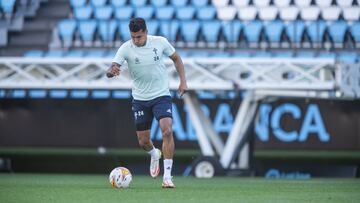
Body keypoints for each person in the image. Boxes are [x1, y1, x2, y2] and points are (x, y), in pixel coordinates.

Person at [106, 17, 187, 188]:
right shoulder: (125, 48)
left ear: (146, 32)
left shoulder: (160, 42)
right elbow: (112, 67)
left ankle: (167, 177)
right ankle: (154, 153)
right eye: (133, 37)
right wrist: (111, 71)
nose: (136, 40)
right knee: (143, 142)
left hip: (161, 95)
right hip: (140, 99)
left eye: (139, 37)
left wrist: (183, 81)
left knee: (167, 130)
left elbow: (177, 59)